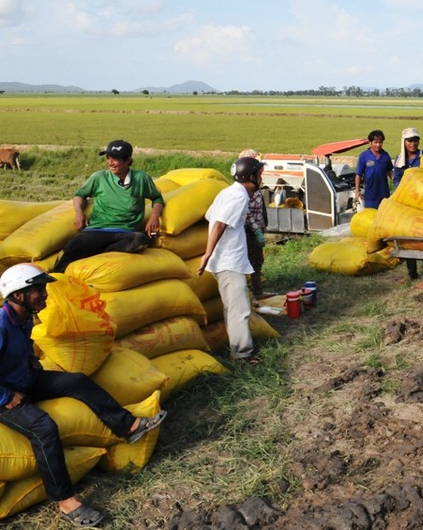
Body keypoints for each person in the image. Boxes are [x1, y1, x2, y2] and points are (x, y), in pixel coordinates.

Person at [0, 263, 166, 528]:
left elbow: (20, 350)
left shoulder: (24, 318)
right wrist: (5, 396)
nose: (45, 294)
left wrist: (31, 361)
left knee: (77, 380)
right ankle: (66, 502)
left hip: (27, 381)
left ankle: (129, 425)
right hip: (7, 398)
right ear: (19, 294)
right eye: (39, 289)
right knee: (44, 428)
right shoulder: (1, 324)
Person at [52, 140, 164, 273]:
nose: (110, 163)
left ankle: (102, 253)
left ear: (128, 160)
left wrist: (155, 216)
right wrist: (79, 212)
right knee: (74, 247)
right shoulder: (99, 177)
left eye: (115, 159)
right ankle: (55, 276)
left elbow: (157, 198)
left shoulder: (141, 178)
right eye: (108, 158)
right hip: (97, 231)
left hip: (125, 232)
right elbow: (79, 195)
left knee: (140, 240)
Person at [198, 157, 263, 364]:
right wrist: (207, 254)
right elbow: (218, 224)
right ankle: (242, 355)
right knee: (240, 308)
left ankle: (236, 349)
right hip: (229, 260)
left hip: (224, 260)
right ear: (250, 176)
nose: (261, 177)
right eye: (259, 174)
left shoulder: (227, 192)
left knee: (232, 307)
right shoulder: (239, 197)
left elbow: (209, 215)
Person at [394, 128, 423, 288]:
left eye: (415, 140)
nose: (413, 143)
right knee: (407, 236)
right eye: (409, 140)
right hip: (408, 204)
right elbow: (397, 179)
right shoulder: (400, 160)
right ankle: (412, 274)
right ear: (404, 142)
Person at [239, 149, 268, 298]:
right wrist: (256, 230)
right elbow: (246, 213)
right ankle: (252, 294)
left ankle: (258, 291)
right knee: (251, 261)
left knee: (258, 260)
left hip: (257, 228)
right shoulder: (245, 189)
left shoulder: (256, 185)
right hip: (249, 232)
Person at [354, 130, 393, 209]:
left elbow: (390, 171)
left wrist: (397, 182)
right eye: (375, 142)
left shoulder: (385, 155)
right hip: (370, 196)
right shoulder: (364, 156)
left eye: (380, 142)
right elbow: (358, 174)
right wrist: (357, 191)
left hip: (384, 195)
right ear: (370, 142)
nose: (378, 145)